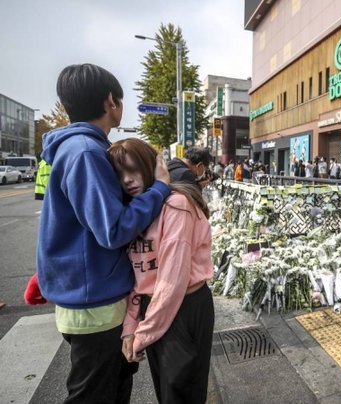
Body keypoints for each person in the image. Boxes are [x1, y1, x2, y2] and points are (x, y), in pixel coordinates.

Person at [36, 63, 171, 404]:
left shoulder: (80, 148)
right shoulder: (85, 152)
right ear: (111, 101)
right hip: (93, 303)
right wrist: (159, 190)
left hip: (89, 297)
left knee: (112, 388)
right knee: (94, 394)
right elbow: (113, 229)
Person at [108, 139, 214, 404]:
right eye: (120, 174)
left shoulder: (176, 204)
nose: (128, 180)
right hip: (154, 307)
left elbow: (172, 280)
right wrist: (131, 326)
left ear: (150, 166)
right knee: (167, 391)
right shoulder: (138, 209)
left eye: (133, 170)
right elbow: (138, 275)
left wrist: (142, 334)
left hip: (183, 307)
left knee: (180, 393)